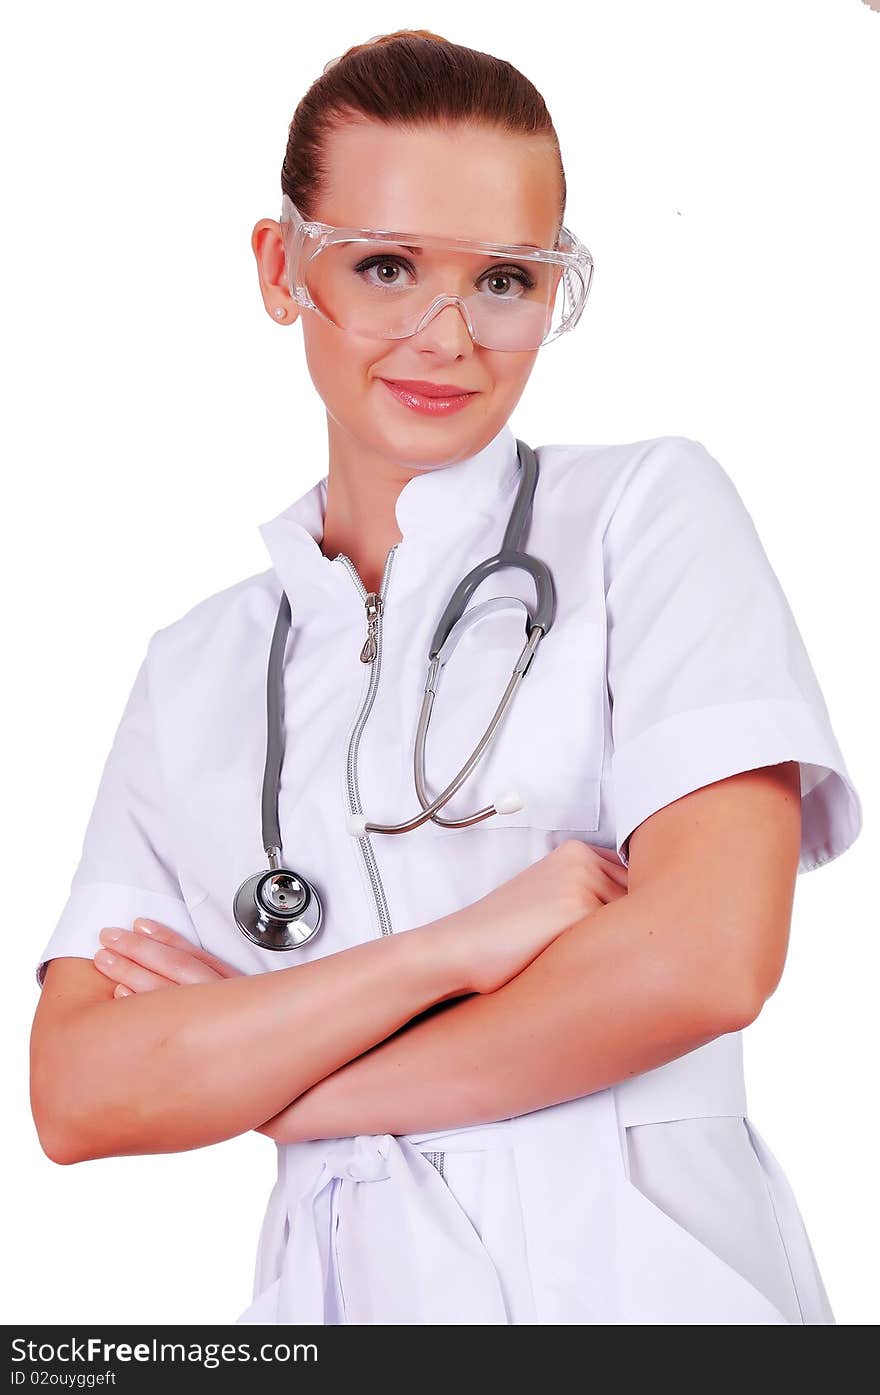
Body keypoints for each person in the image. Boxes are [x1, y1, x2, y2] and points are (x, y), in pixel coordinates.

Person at [30, 30, 862, 1326]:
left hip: (650, 1293)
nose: (449, 336)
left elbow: (704, 961)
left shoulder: (645, 515)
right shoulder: (197, 669)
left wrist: (271, 1076)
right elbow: (82, 1095)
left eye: (507, 281)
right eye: (384, 267)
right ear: (280, 268)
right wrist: (468, 946)